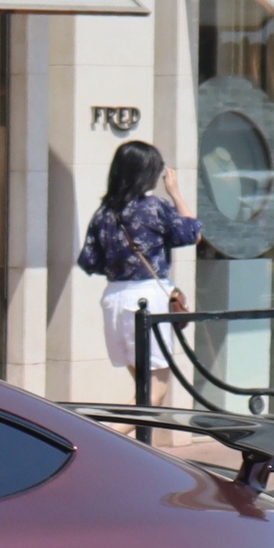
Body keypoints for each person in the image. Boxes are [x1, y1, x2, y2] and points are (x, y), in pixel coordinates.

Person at [78, 140, 201, 406]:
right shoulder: (155, 206)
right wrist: (176, 193)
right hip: (147, 300)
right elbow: (193, 234)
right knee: (155, 392)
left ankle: (139, 444)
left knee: (142, 389)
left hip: (114, 298)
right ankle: (111, 436)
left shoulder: (103, 213)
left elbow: (90, 261)